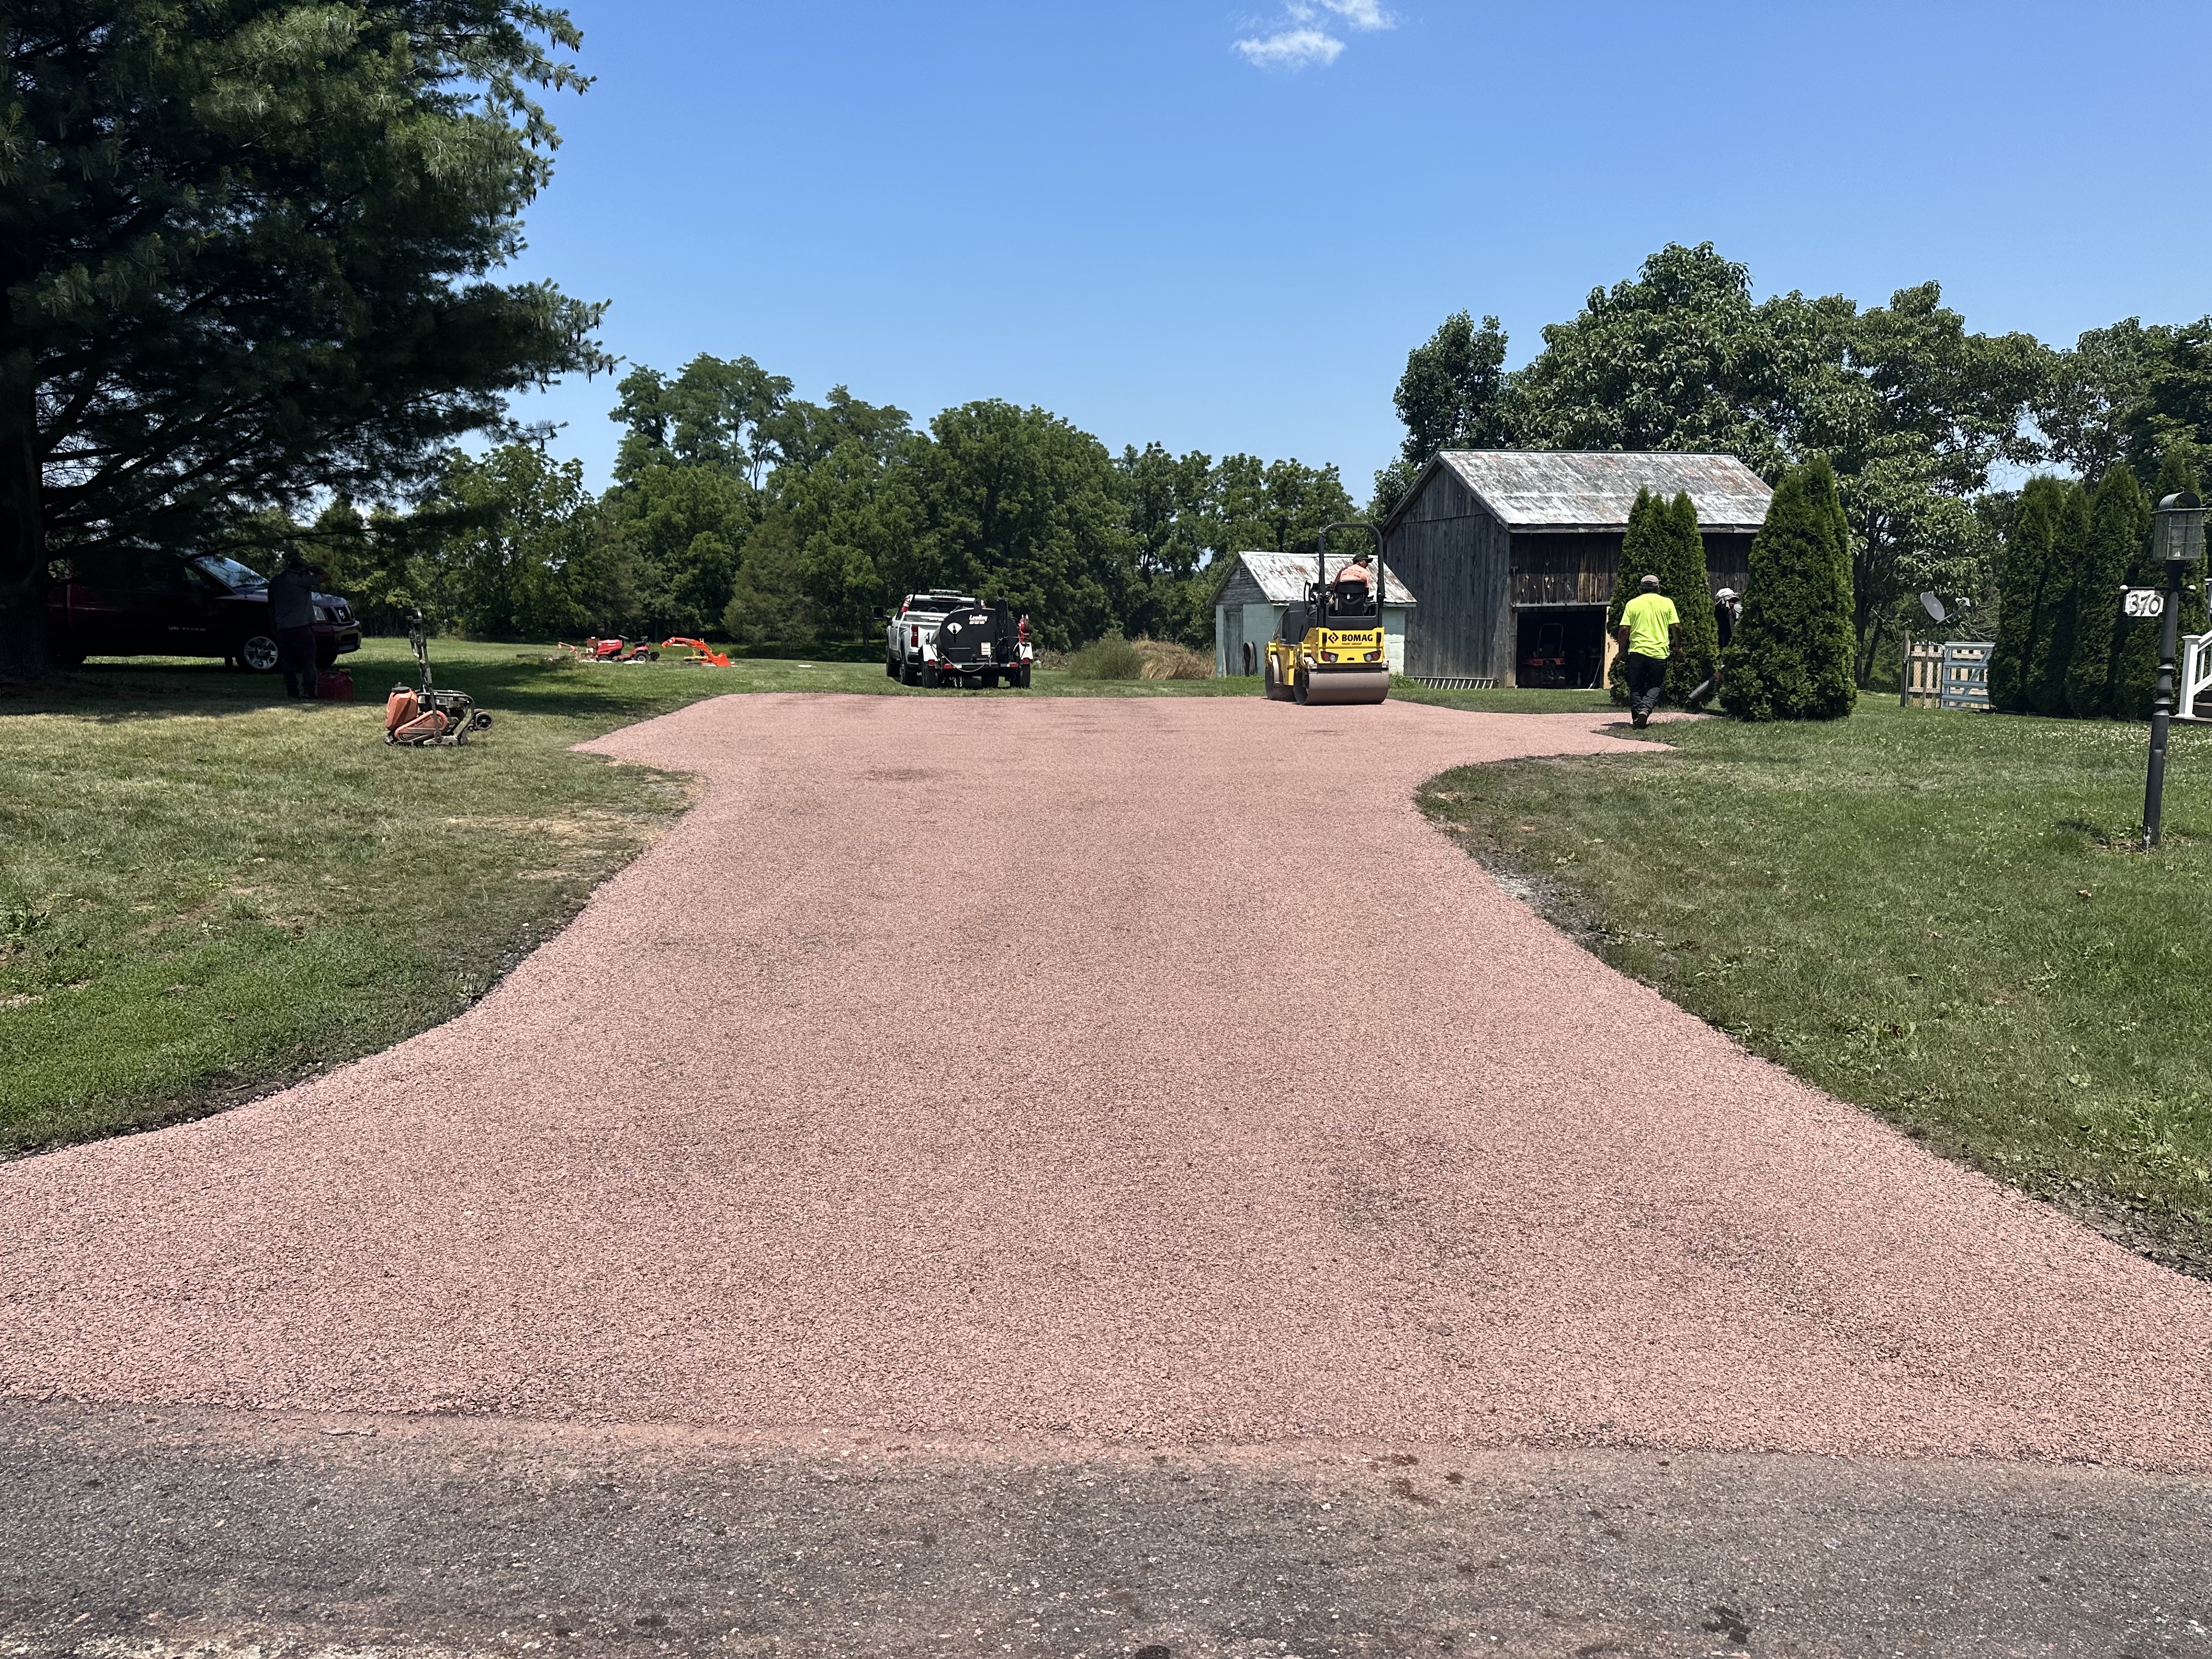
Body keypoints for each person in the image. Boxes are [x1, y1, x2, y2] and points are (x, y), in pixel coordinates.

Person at [1613, 573, 1679, 730]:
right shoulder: (1667, 603)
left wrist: (1621, 650)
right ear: (1658, 587)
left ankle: (1638, 717)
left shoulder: (1632, 604)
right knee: (1655, 685)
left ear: (1640, 588)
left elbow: (1624, 630)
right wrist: (1678, 646)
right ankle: (1644, 711)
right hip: (1659, 652)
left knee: (1636, 686)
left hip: (1637, 651)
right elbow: (1676, 627)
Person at [269, 550, 322, 699]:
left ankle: (292, 691)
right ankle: (309, 691)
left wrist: (274, 623)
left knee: (288, 661)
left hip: (283, 628)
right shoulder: (301, 580)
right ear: (301, 568)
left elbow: (271, 604)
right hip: (301, 627)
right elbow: (325, 576)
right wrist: (311, 569)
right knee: (308, 659)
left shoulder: (276, 581)